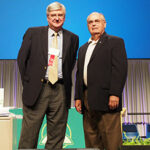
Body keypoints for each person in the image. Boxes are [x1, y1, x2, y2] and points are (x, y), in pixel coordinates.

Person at [17, 2, 79, 149]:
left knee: (57, 136)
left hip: (61, 90)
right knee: (29, 135)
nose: (57, 18)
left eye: (60, 15)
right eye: (53, 15)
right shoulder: (33, 33)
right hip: (37, 90)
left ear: (64, 17)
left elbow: (69, 64)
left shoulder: (73, 38)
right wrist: (29, 83)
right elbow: (22, 60)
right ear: (47, 17)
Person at [75, 12, 127, 150]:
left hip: (107, 99)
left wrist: (115, 93)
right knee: (91, 140)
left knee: (111, 141)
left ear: (104, 24)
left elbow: (119, 70)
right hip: (87, 100)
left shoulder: (115, 42)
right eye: (90, 22)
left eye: (97, 21)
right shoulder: (83, 48)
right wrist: (78, 97)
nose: (93, 24)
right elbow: (79, 74)